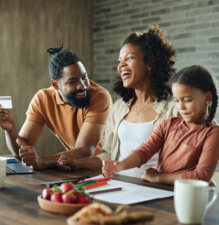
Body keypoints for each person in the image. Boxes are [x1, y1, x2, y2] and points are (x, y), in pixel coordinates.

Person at [58, 25, 177, 178]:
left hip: (155, 193)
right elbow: (109, 155)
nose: (121, 66)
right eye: (120, 61)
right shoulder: (120, 107)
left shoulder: (174, 109)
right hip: (120, 186)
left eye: (129, 58)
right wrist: (79, 163)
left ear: (150, 62)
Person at [0, 45, 112, 170]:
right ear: (55, 84)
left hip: (105, 169)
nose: (82, 86)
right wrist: (10, 130)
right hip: (74, 168)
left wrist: (42, 162)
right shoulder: (43, 99)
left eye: (84, 77)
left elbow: (85, 150)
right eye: (72, 81)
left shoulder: (99, 96)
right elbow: (23, 152)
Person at [102, 65, 219, 184]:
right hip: (161, 193)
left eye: (187, 100)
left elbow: (201, 176)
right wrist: (121, 165)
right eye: (176, 100)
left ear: (207, 98)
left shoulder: (213, 133)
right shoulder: (168, 124)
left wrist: (158, 178)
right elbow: (144, 151)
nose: (181, 106)